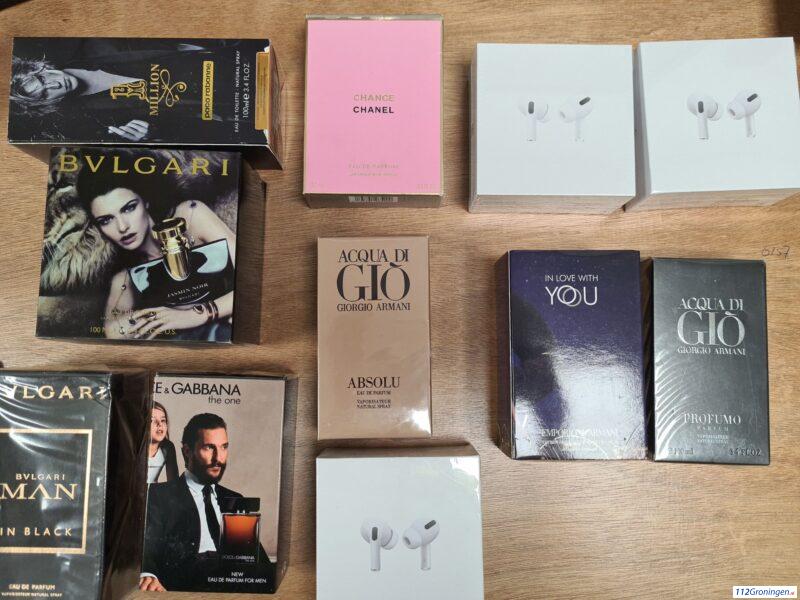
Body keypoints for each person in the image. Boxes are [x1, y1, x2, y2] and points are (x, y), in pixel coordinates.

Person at [76, 164, 236, 342]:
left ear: (145, 200)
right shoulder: (125, 278)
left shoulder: (189, 217)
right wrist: (163, 314)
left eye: (129, 208)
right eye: (106, 220)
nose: (122, 227)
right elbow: (114, 330)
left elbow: (251, 281)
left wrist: (194, 314)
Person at [9, 38, 244, 142]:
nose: (55, 84)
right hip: (228, 107)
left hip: (227, 58)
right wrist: (151, 136)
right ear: (46, 104)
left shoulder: (93, 45)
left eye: (42, 78)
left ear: (42, 67)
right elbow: (182, 131)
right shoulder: (94, 121)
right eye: (44, 93)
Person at [139, 413, 264, 592]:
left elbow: (256, 561)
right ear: (187, 451)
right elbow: (145, 546)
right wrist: (148, 574)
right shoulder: (158, 495)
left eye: (224, 447)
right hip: (184, 586)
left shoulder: (235, 498)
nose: (218, 458)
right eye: (209, 447)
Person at [148, 402, 179, 484]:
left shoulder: (168, 447)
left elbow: (173, 483)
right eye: (152, 420)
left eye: (163, 420)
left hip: (154, 490)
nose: (159, 424)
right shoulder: (135, 447)